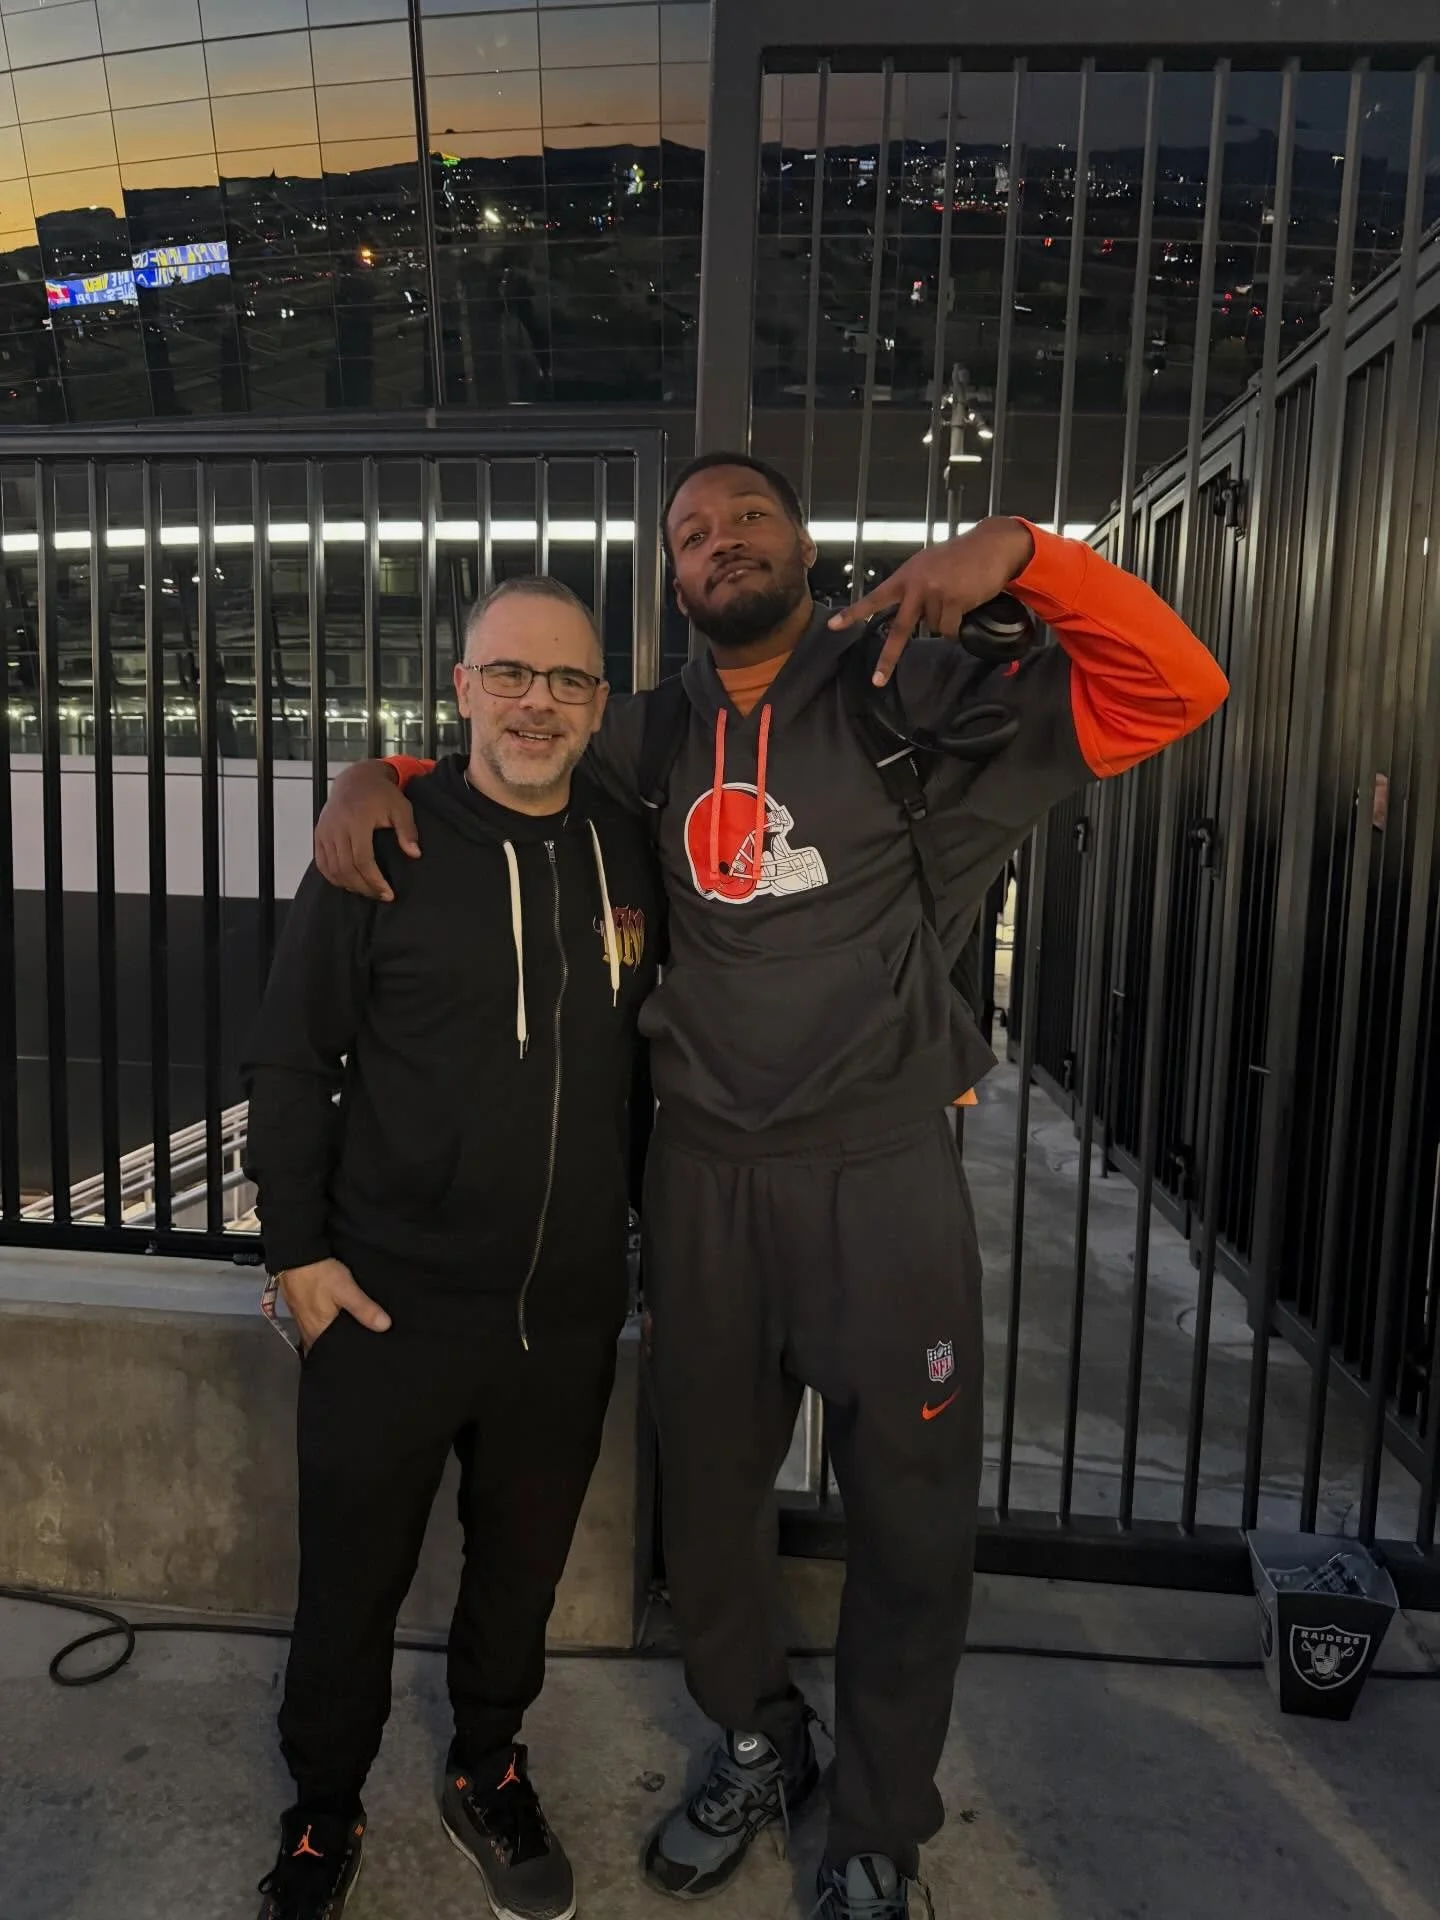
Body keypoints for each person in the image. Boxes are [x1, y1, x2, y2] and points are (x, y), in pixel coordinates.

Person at [312, 456, 1229, 1918]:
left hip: (879, 1175)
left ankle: (877, 1829)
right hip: (703, 1179)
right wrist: (383, 776)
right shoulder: (648, 735)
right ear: (673, 580)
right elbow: (513, 772)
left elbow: (1178, 685)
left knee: (911, 1519)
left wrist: (1023, 553)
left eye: (748, 515)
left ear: (803, 543)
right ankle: (757, 1735)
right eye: (691, 531)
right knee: (709, 1509)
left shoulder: (909, 691)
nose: (720, 539)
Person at [243, 575, 660, 1920]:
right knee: (349, 1586)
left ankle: (488, 1767)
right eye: (510, 675)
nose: (539, 703)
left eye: (568, 680)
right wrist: (295, 1253)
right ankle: (323, 1810)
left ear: (600, 702)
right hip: (386, 1307)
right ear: (464, 688)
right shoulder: (385, 843)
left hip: (565, 1312)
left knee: (518, 1579)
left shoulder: (632, 845)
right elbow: (292, 1056)